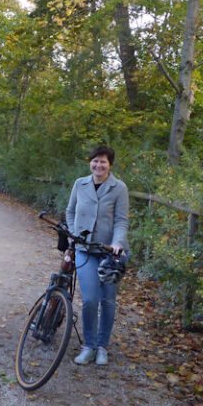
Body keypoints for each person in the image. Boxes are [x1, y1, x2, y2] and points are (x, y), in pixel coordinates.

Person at [65, 145, 129, 366]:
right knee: (90, 300)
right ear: (89, 162)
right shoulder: (79, 184)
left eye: (103, 161)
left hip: (111, 254)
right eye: (95, 160)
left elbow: (121, 220)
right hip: (85, 249)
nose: (98, 165)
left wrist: (117, 243)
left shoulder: (119, 188)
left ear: (110, 165)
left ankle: (102, 346)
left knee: (108, 300)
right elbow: (70, 211)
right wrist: (73, 236)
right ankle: (89, 345)